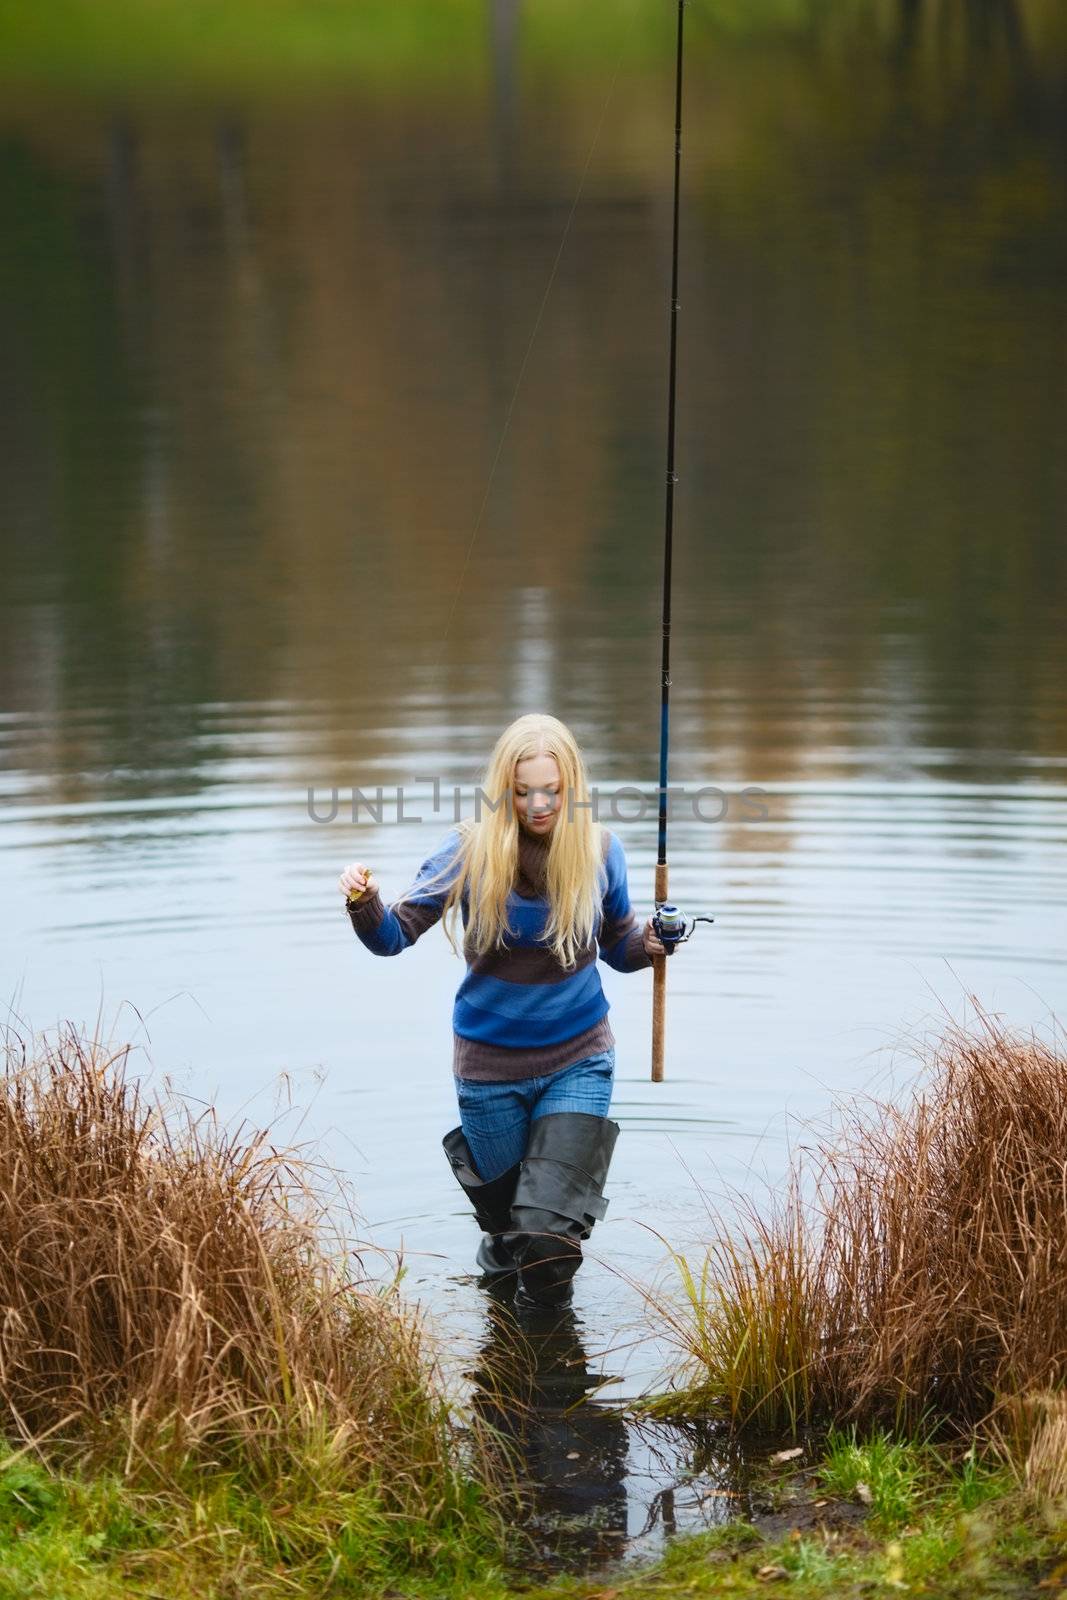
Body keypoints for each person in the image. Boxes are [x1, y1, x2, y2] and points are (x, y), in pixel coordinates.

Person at [338, 711, 670, 1310]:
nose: (538, 805)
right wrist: (364, 901)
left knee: (548, 1241)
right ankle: (503, 1324)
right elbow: (392, 937)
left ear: (571, 786)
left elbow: (619, 946)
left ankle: (549, 1388)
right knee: (510, 1237)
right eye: (523, 793)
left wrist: (655, 940)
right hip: (489, 1072)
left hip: (579, 1060)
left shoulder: (599, 850)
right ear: (504, 790)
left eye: (552, 790)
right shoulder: (468, 851)